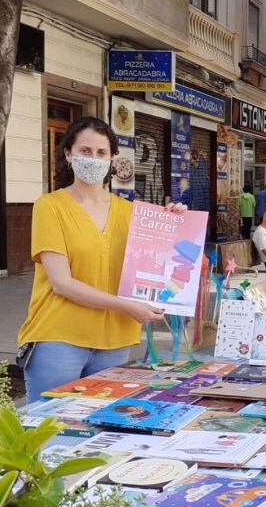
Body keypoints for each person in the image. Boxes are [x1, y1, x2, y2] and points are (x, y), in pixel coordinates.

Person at [17, 117, 190, 402]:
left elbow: (160, 266)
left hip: (115, 339)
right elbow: (62, 283)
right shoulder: (50, 207)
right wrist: (127, 306)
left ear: (111, 160)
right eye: (85, 151)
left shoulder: (130, 212)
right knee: (50, 432)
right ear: (68, 154)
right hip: (60, 337)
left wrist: (173, 224)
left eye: (101, 153)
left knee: (100, 433)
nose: (93, 159)